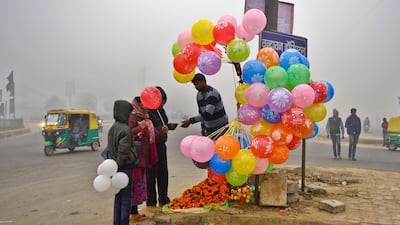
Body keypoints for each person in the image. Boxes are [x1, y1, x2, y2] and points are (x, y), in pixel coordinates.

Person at [128, 96, 158, 222]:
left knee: (138, 185)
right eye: (144, 104)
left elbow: (150, 134)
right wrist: (141, 127)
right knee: (134, 185)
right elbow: (128, 132)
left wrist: (161, 132)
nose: (146, 106)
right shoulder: (133, 116)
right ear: (138, 104)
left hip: (143, 155)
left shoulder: (144, 116)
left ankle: (135, 212)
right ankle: (133, 213)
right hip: (136, 156)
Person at [107, 100, 137, 225]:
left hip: (115, 167)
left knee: (118, 197)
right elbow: (123, 152)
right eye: (129, 113)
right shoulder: (125, 129)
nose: (130, 116)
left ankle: (117, 222)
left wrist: (114, 168)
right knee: (126, 199)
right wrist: (119, 166)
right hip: (124, 168)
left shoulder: (113, 128)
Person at [146, 86, 171, 211]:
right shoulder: (147, 112)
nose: (162, 105)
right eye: (162, 103)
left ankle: (163, 198)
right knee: (151, 175)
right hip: (151, 147)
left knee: (163, 173)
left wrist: (166, 128)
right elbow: (149, 131)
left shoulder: (161, 111)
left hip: (161, 145)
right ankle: (151, 202)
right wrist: (160, 131)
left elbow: (164, 122)